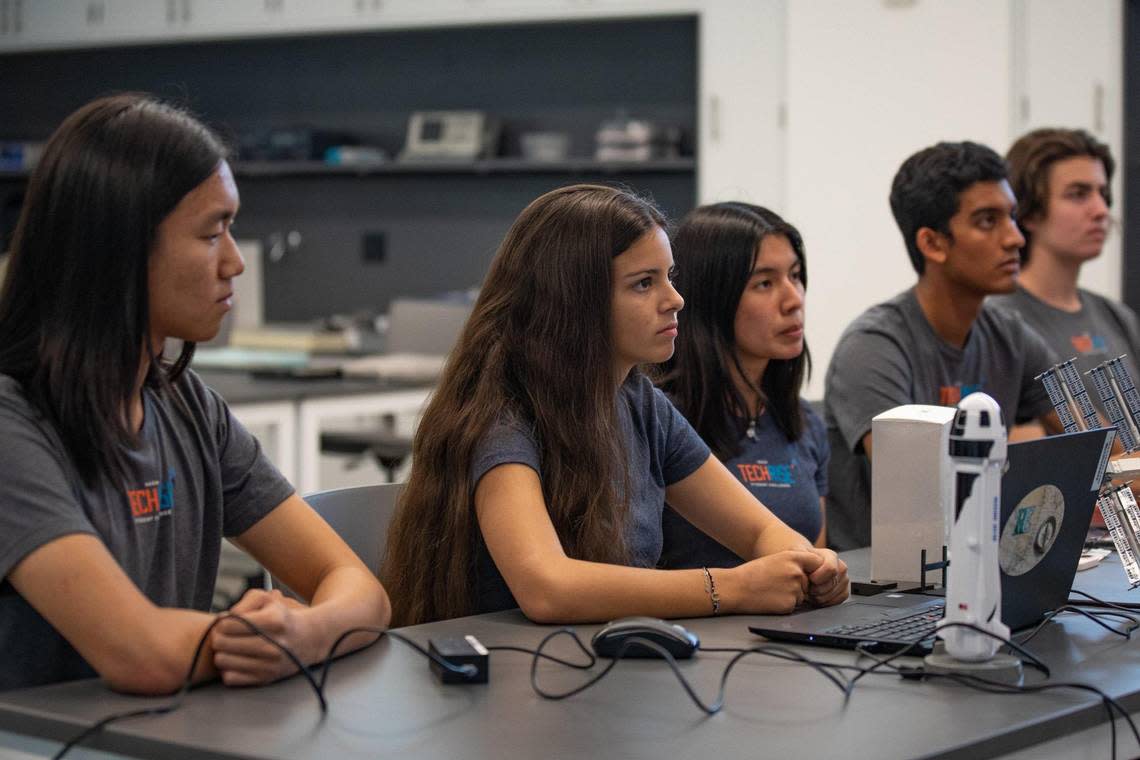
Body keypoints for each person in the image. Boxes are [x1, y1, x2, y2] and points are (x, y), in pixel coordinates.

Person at [0, 94, 390, 694]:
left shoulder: (191, 408)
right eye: (213, 233)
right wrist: (267, 638)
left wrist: (305, 634)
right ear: (121, 251)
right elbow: (140, 652)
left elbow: (357, 586)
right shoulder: (12, 427)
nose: (234, 262)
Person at [382, 184, 847, 627]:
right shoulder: (504, 419)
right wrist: (731, 588)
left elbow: (758, 532)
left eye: (670, 277)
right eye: (644, 284)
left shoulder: (640, 403)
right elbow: (547, 586)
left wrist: (809, 561)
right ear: (573, 301)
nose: (676, 300)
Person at [823, 141, 1060, 551]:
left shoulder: (1011, 333)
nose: (1016, 238)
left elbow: (1100, 442)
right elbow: (920, 490)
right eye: (988, 221)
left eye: (1012, 217)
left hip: (979, 562)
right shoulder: (873, 346)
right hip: (888, 589)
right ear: (933, 244)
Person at [656, 203, 828, 572]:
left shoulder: (804, 422)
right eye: (764, 283)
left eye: (795, 276)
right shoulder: (658, 419)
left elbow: (816, 564)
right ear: (711, 297)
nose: (793, 299)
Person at [991, 128, 1139, 379]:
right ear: (1029, 212)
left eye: (1102, 194)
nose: (1101, 210)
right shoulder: (996, 321)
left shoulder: (1118, 317)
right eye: (1078, 194)